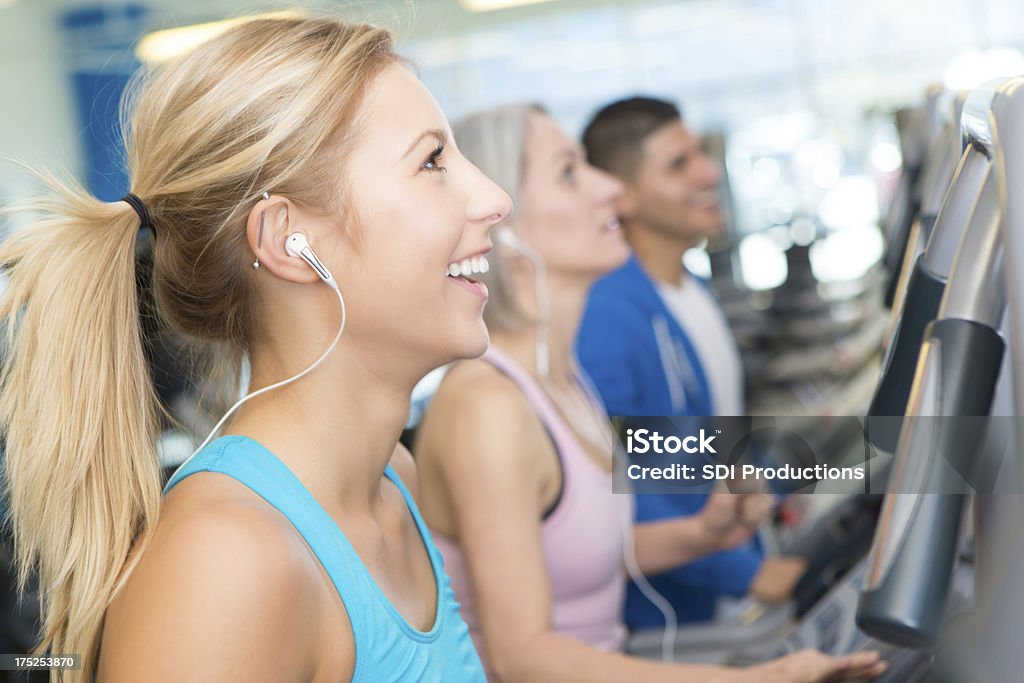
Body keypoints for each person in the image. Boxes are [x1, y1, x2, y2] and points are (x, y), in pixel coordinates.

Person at [0, 16, 512, 682]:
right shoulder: (226, 561)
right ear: (289, 241)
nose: (495, 199)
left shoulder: (391, 480)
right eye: (433, 161)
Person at [414, 103, 885, 682]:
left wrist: (699, 535)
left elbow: (572, 552)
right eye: (569, 172)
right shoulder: (490, 406)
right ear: (503, 224)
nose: (611, 188)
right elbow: (521, 657)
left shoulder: (561, 379)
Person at [578, 96, 806, 628]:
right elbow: (620, 480)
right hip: (669, 618)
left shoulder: (693, 290)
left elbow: (712, 446)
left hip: (729, 572)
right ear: (623, 194)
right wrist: (740, 573)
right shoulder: (606, 314)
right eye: (679, 164)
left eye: (700, 154)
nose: (707, 171)